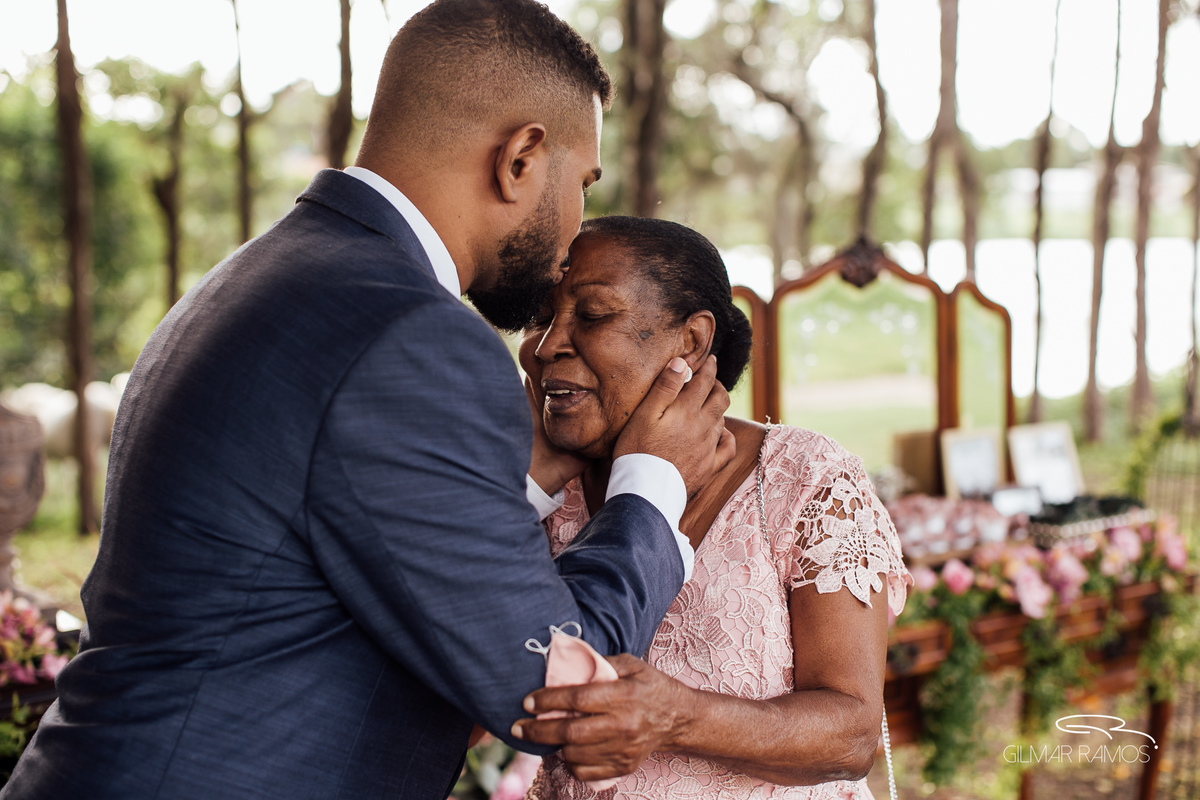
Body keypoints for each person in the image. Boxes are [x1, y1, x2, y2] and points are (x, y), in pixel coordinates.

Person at [0, 4, 734, 799]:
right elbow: (562, 693)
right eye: (581, 183)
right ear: (522, 158)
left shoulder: (256, 277)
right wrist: (654, 479)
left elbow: (333, 560)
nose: (574, 229)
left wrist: (524, 481)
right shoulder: (414, 331)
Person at [511, 216, 913, 799]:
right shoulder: (542, 493)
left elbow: (851, 738)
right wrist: (525, 489)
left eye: (592, 315)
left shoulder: (803, 480)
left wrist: (676, 717)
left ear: (692, 341)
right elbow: (464, 701)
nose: (546, 347)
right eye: (539, 318)